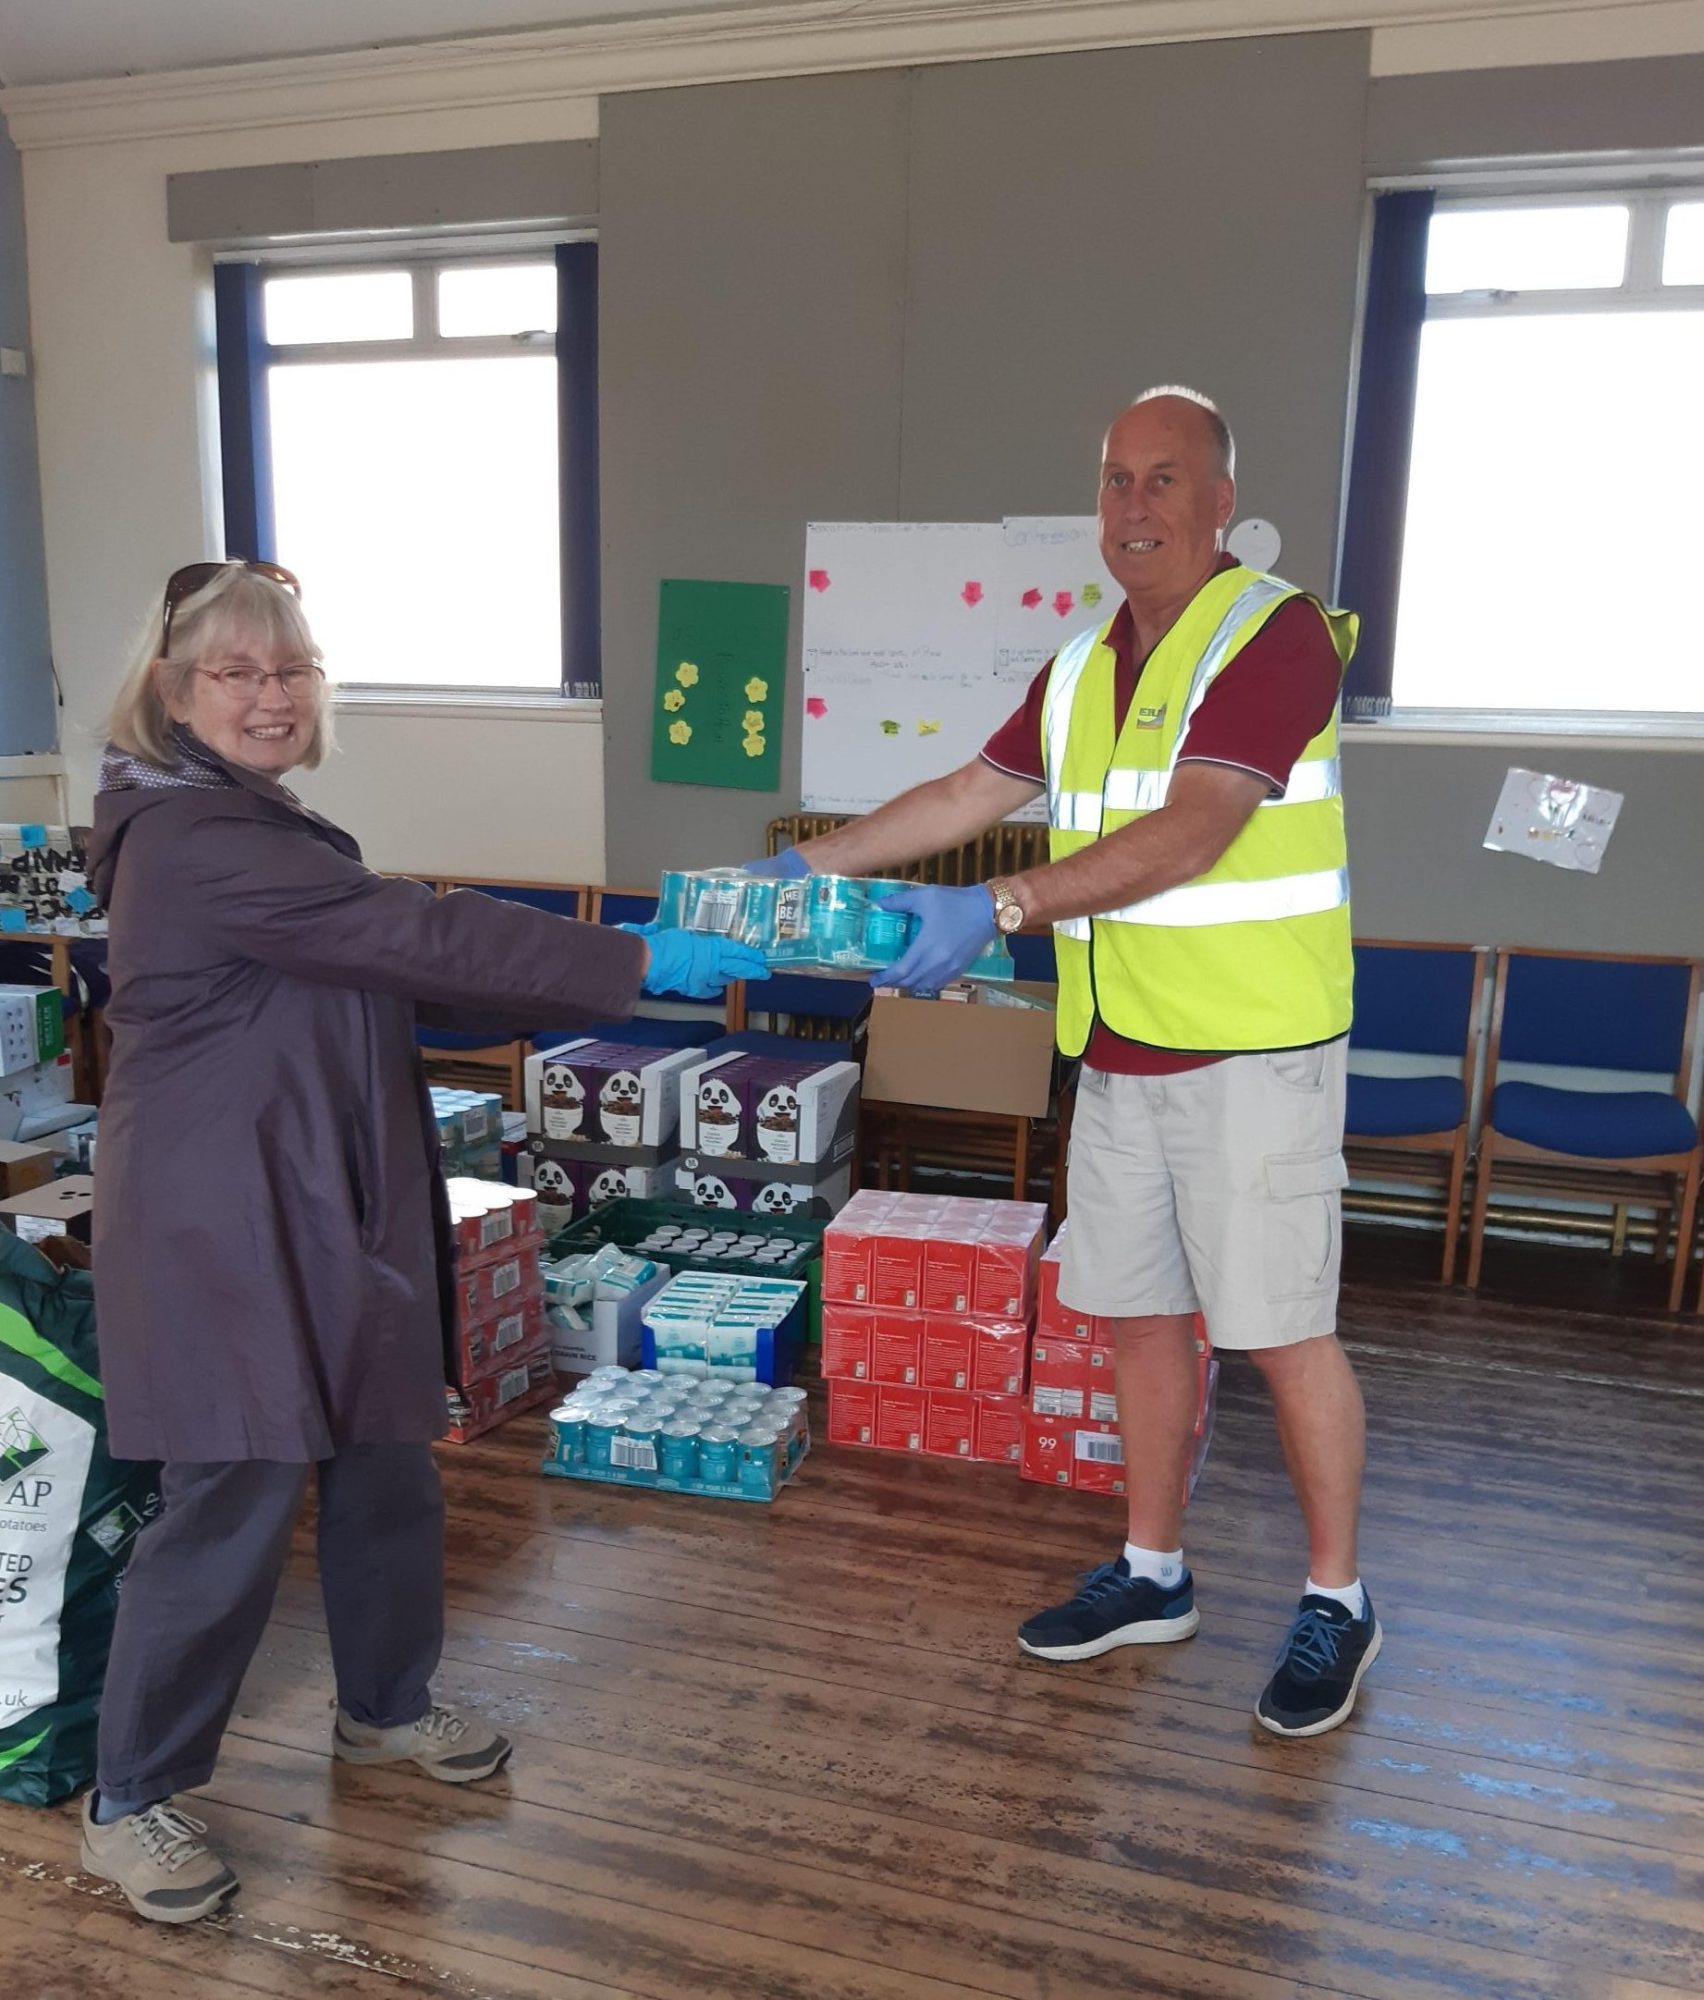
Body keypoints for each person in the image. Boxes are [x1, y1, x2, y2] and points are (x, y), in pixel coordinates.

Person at [79, 560, 768, 1923]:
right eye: (238, 672)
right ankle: (131, 1798)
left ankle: (385, 1709)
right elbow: (413, 930)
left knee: (387, 1459)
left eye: (291, 671)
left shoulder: (261, 822)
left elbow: (387, 974)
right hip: (227, 1216)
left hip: (331, 1195)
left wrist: (515, 988)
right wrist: (636, 957)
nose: (271, 697)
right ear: (172, 691)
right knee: (234, 1493)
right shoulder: (191, 840)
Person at [749, 388, 1378, 1738]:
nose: (1135, 508)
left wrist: (1001, 907)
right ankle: (1154, 1572)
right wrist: (788, 875)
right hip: (1121, 1054)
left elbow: (1197, 831)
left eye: (1165, 480)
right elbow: (963, 794)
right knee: (1139, 1318)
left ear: (1221, 502)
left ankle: (1339, 1596)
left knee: (1278, 1331)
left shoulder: (1275, 638)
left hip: (1255, 1054)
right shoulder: (1086, 664)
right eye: (1114, 482)